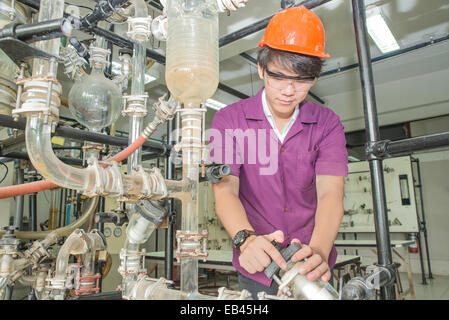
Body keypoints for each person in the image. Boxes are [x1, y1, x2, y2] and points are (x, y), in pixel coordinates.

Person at [209, 6, 348, 299]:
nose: (288, 90)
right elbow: (225, 191)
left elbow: (331, 193)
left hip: (311, 263)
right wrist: (244, 239)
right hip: (257, 263)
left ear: (314, 78)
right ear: (261, 69)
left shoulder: (327, 123)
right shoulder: (228, 120)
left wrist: (320, 251)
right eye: (278, 77)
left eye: (301, 80)